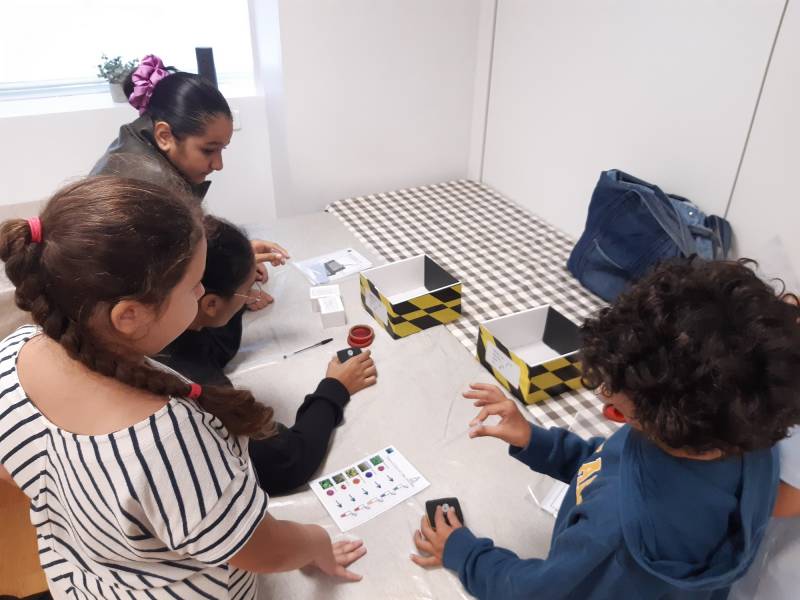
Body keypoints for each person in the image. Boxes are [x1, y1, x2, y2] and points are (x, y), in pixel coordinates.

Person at [0, 177, 366, 599]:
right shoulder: (169, 440)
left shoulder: (14, 352)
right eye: (194, 286)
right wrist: (316, 541)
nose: (201, 293)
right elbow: (261, 550)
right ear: (130, 316)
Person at [411, 258, 800, 599]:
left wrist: (463, 551)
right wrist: (537, 442)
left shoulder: (613, 536)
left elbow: (535, 593)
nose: (603, 393)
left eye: (616, 406)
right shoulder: (742, 445)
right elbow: (612, 462)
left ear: (664, 422)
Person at [156, 215, 377, 494]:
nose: (254, 295)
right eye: (249, 291)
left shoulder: (168, 320)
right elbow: (286, 463)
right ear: (210, 303)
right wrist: (334, 389)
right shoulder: (191, 381)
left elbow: (213, 346)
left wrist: (238, 273)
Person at [91, 54, 286, 307]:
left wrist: (240, 262)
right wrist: (234, 295)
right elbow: (168, 279)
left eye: (222, 150)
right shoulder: (152, 189)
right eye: (208, 150)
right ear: (164, 135)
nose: (218, 164)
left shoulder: (136, 137)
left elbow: (184, 247)